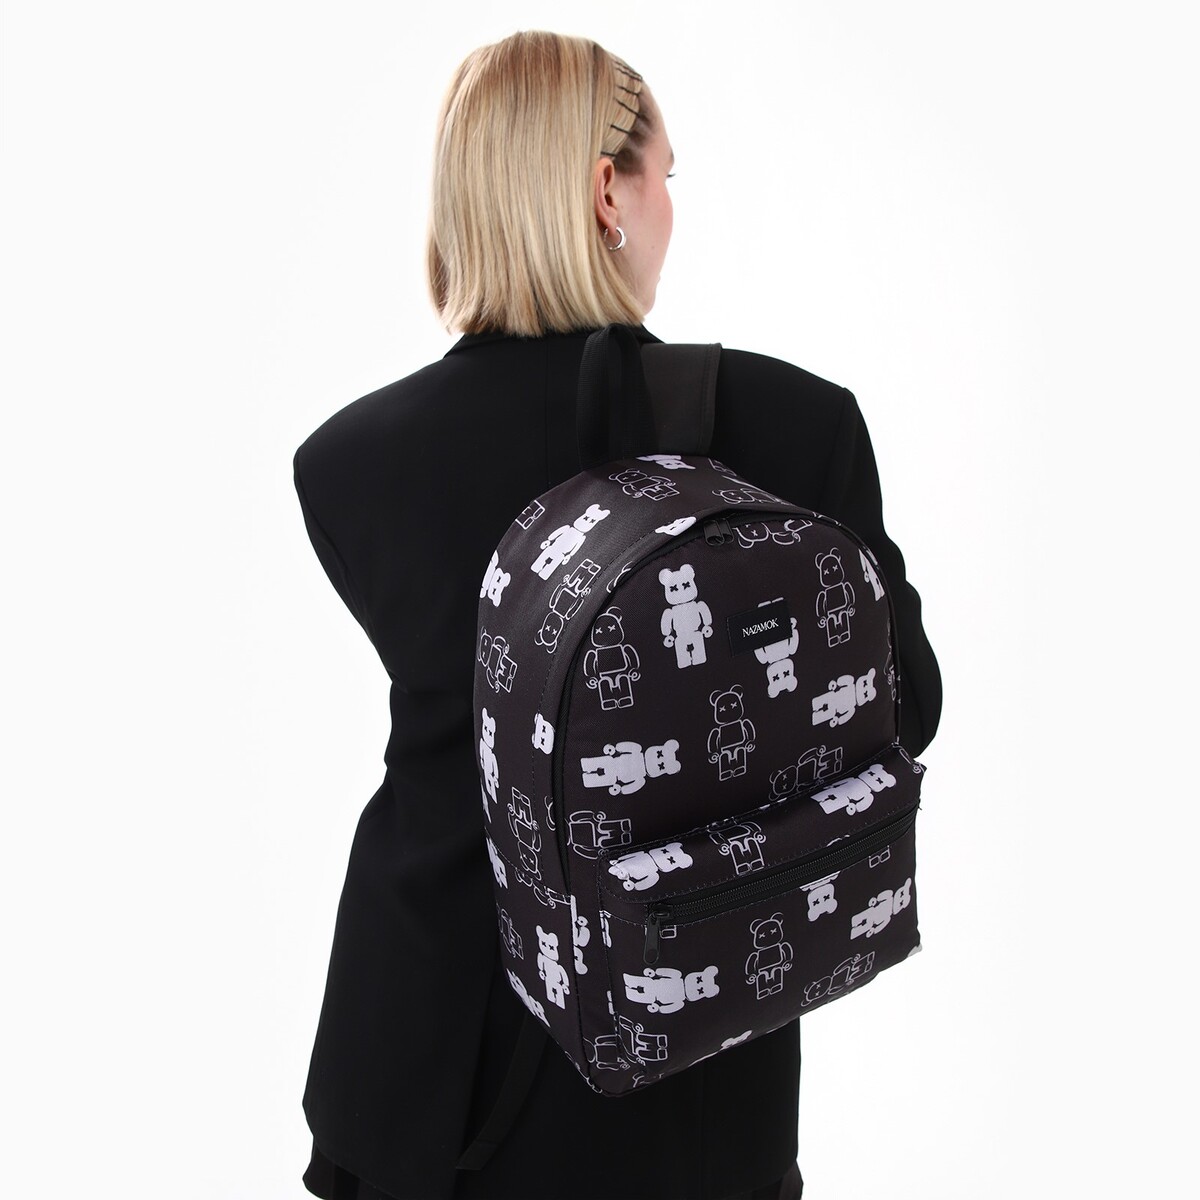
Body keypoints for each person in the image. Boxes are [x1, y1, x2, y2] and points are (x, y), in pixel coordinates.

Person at [293, 30, 941, 1200]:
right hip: (693, 1077)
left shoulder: (352, 460)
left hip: (426, 1083)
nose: (667, 204)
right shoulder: (797, 428)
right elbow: (906, 710)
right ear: (609, 192)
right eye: (665, 175)